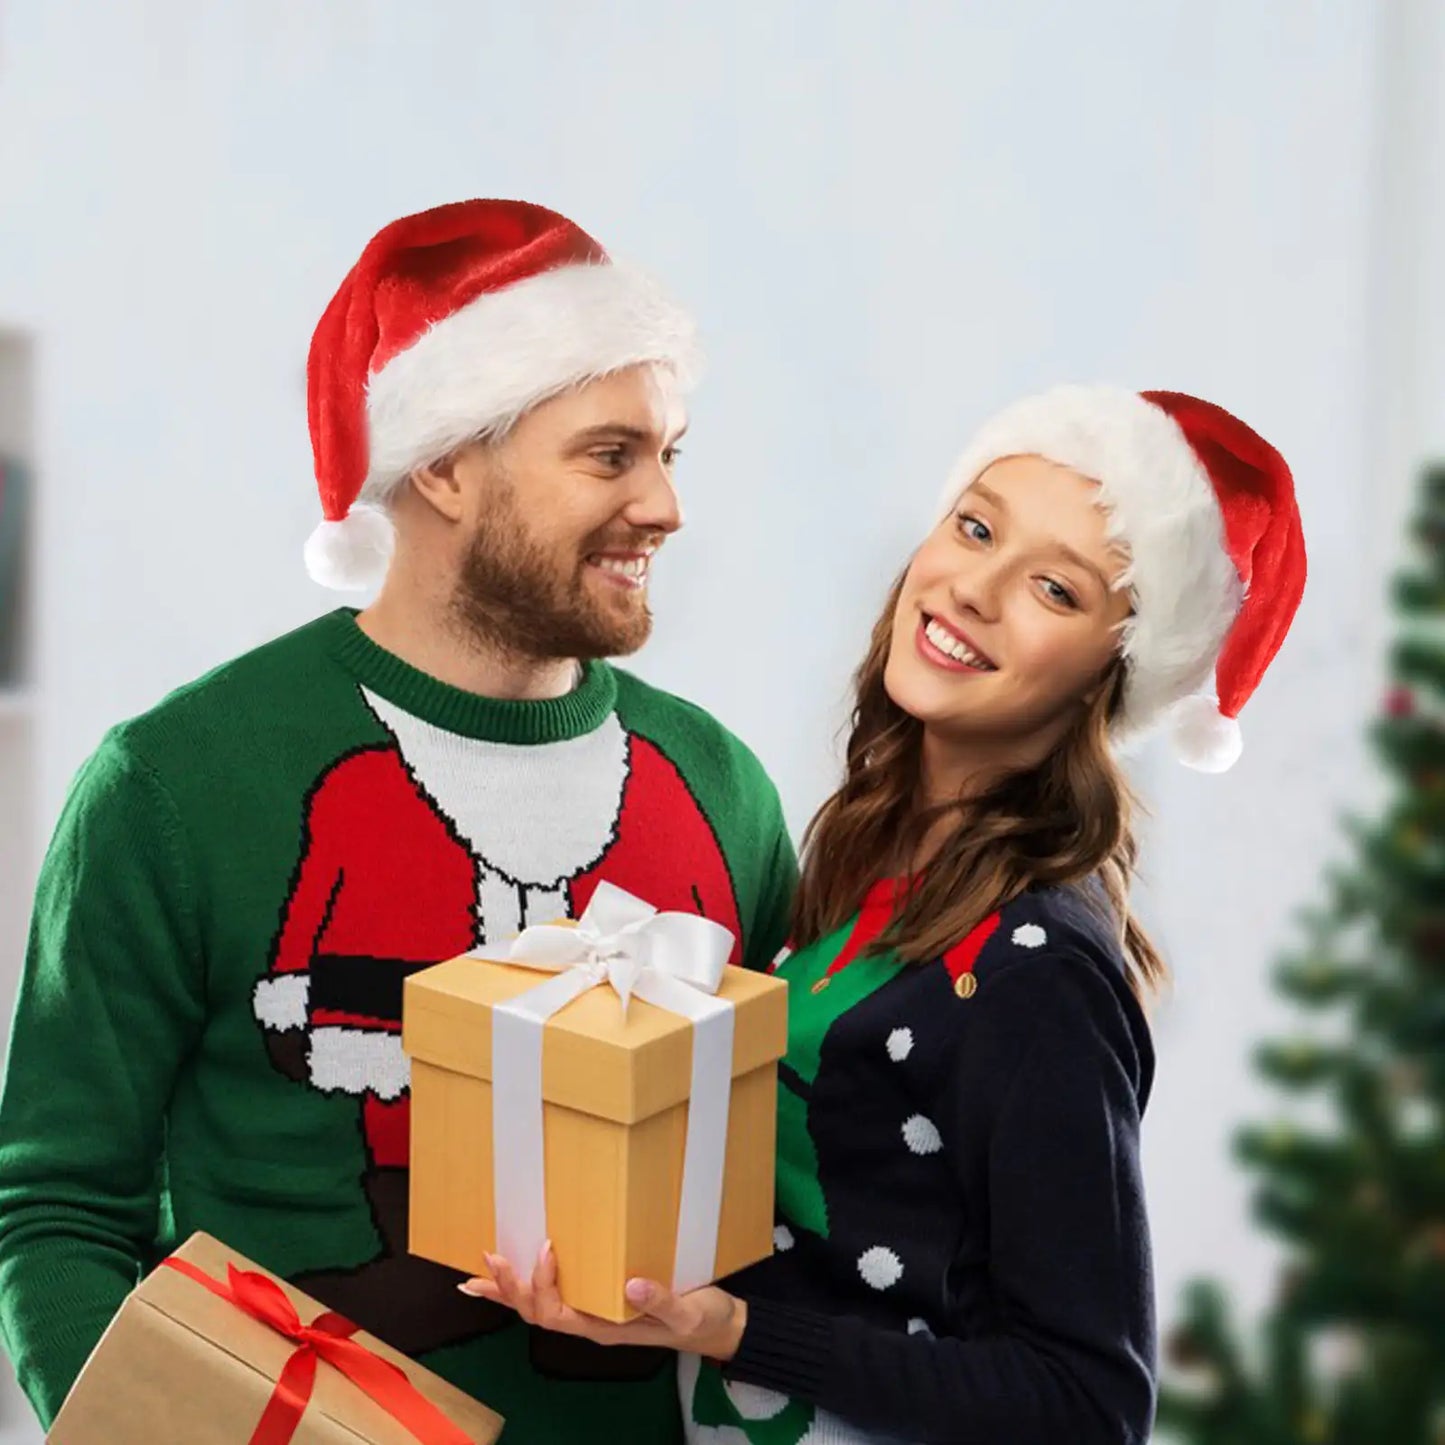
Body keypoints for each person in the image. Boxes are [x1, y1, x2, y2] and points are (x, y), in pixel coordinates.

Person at [0, 199, 797, 1443]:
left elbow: (782, 1186)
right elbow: (57, 1205)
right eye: (608, 454)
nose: (663, 506)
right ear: (443, 462)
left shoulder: (721, 789)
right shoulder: (176, 782)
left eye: (669, 453)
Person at [463, 384, 1309, 1444]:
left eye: (1053, 587)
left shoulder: (1033, 963)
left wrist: (733, 1328)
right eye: (974, 525)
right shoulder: (872, 850)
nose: (975, 588)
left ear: (1115, 663)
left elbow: (1089, 1402)